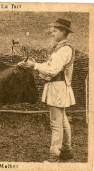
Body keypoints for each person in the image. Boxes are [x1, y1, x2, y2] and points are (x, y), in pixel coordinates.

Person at [19, 18, 75, 162]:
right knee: (62, 121)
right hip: (58, 87)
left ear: (63, 32)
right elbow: (50, 65)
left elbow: (52, 70)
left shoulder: (65, 49)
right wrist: (35, 63)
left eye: (55, 30)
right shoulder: (59, 48)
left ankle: (54, 158)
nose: (52, 33)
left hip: (58, 88)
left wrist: (34, 66)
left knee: (56, 124)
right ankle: (66, 151)